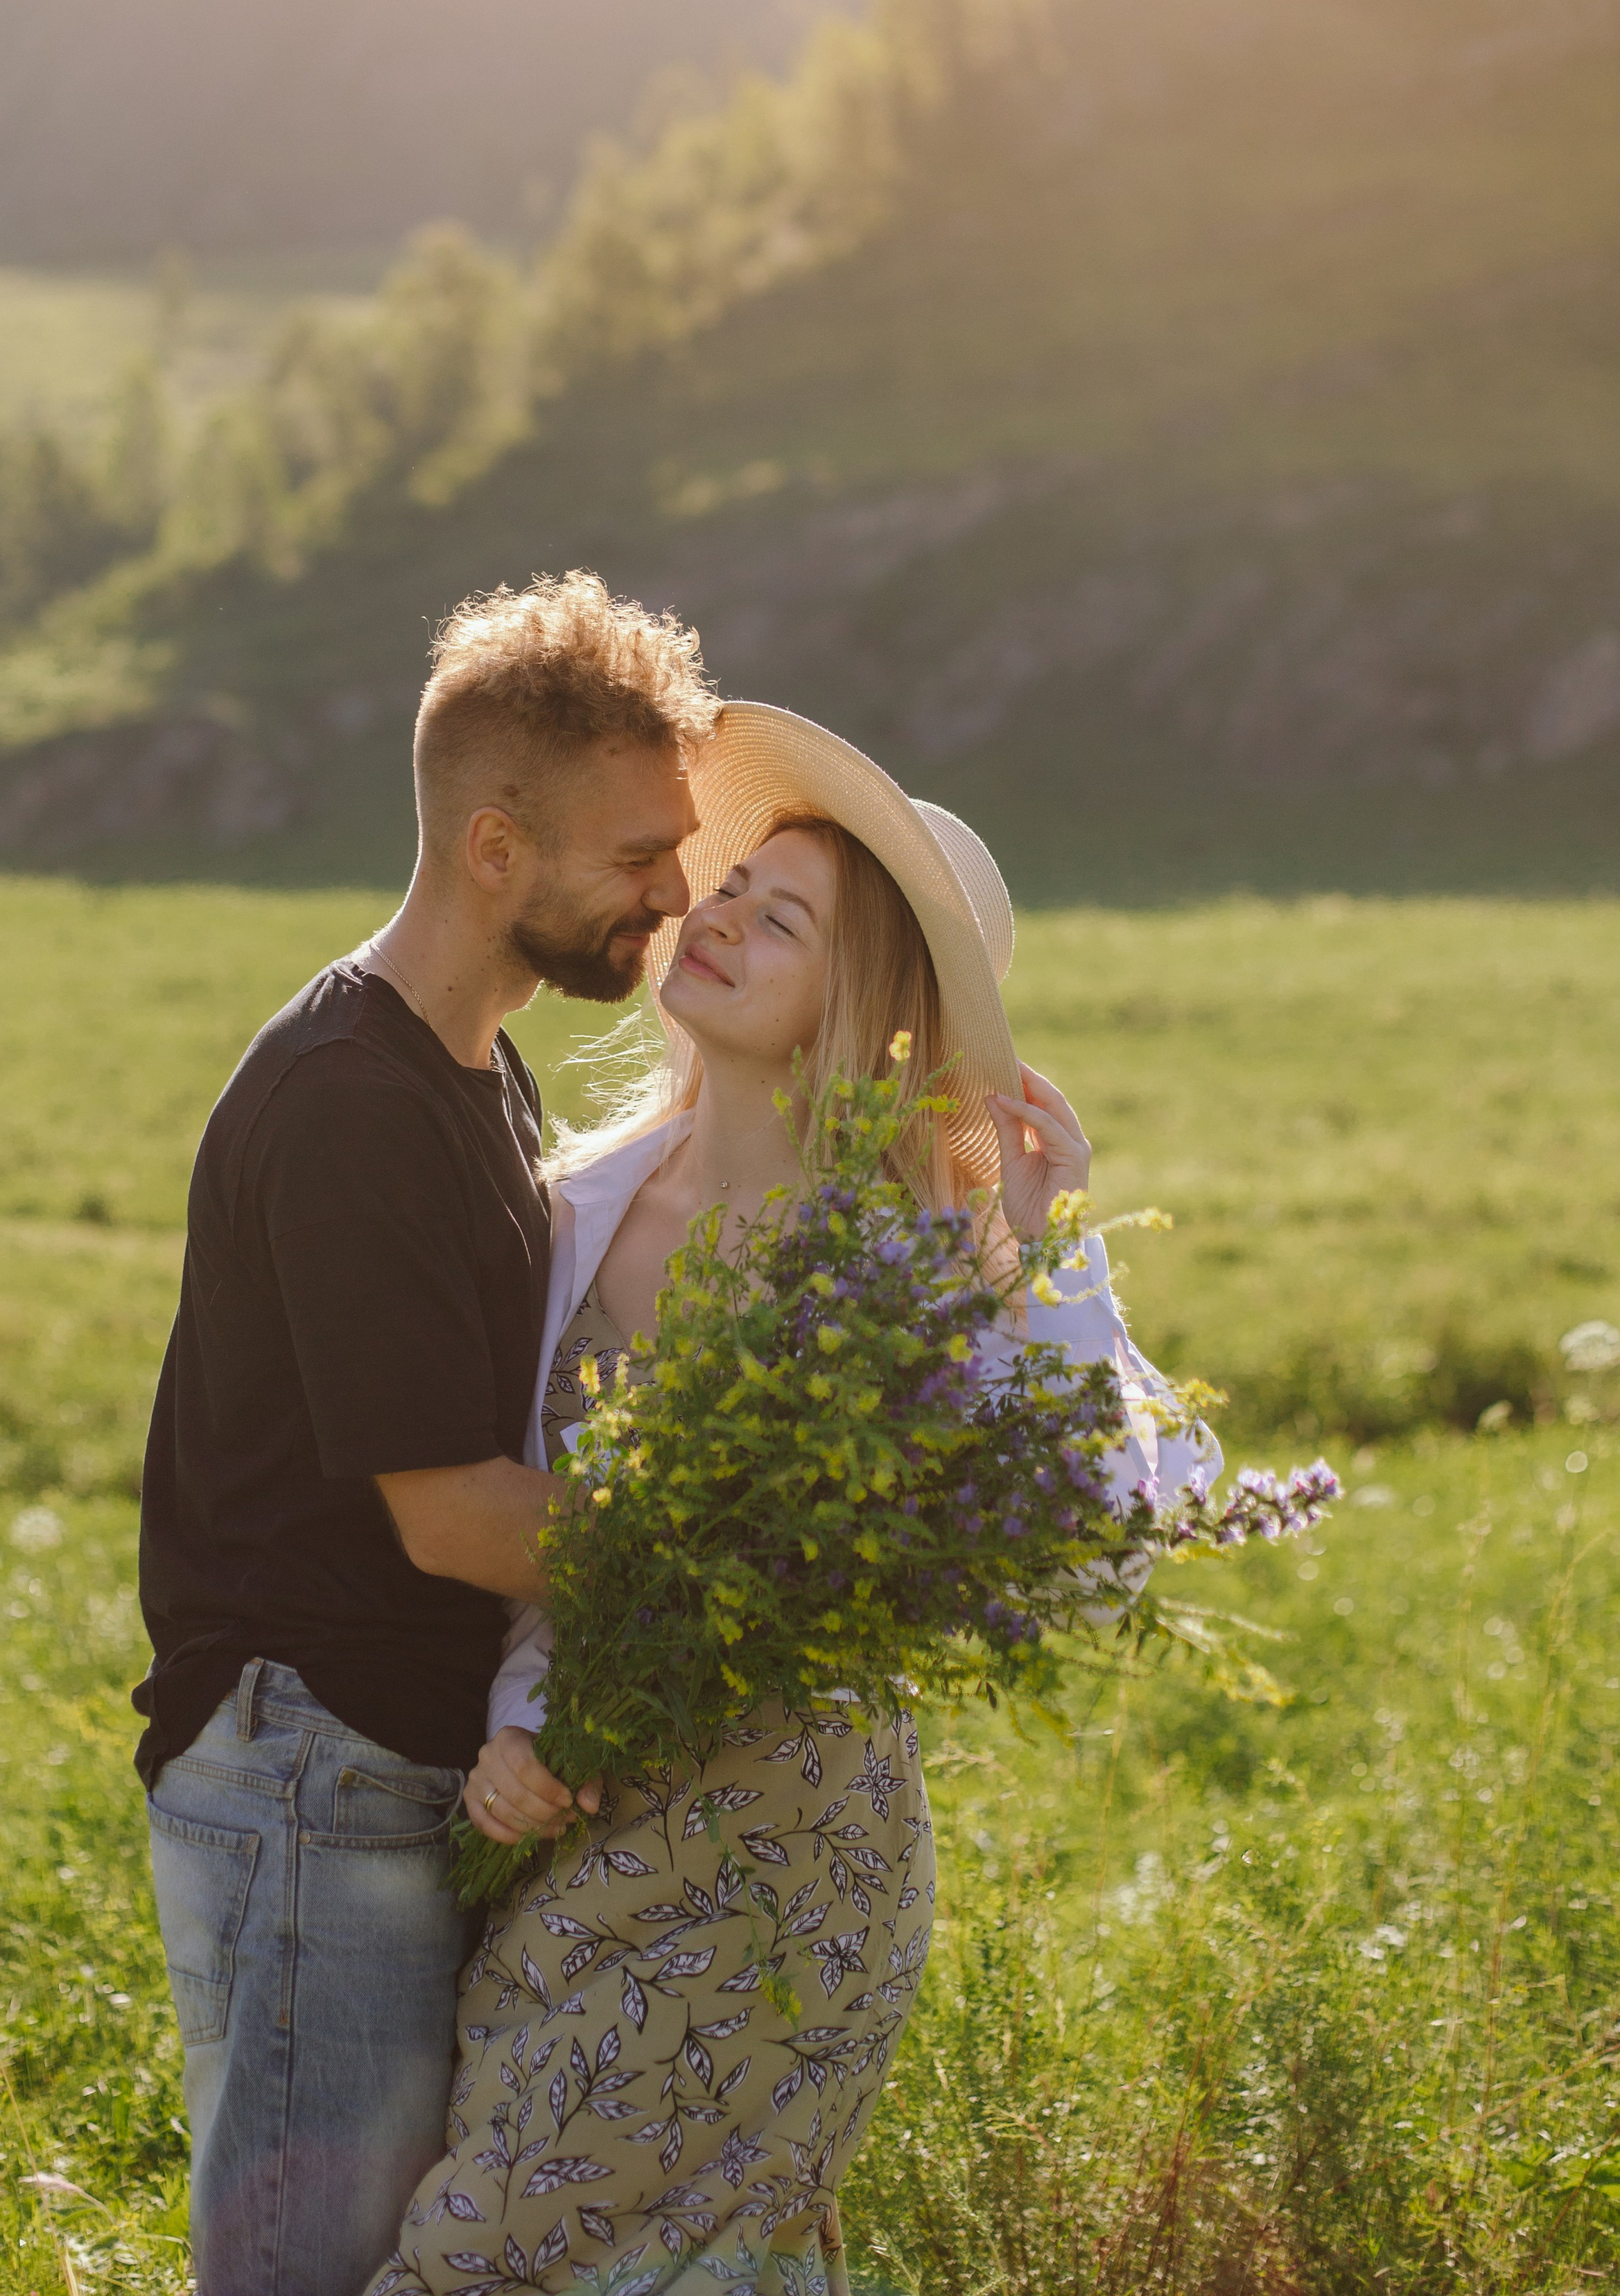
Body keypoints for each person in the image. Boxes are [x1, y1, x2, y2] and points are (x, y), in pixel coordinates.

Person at [369, 703, 1221, 2296]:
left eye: (786, 916)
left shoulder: (906, 1264)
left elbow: (1121, 1524)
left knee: (489, 2257)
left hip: (789, 1868)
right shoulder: (563, 1212)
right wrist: (517, 1718)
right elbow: (541, 1547)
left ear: (867, 1000)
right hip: (571, 1840)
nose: (721, 916)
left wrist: (1047, 1260)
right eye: (728, 883)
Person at [133, 573, 722, 2296]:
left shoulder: (477, 1067)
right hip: (314, 1771)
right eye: (635, 857)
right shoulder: (349, 1108)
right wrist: (740, 1580)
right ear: (491, 848)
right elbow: (457, 1517)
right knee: (306, 2272)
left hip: (383, 1771)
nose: (673, 898)